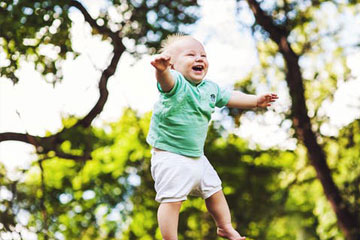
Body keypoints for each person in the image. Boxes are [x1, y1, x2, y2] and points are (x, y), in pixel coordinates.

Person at [146, 34, 278, 240]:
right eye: (190, 54)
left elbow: (231, 97)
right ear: (172, 65)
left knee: (215, 191)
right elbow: (166, 82)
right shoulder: (176, 84)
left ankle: (225, 226)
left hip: (198, 157)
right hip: (170, 157)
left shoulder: (210, 88)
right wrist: (161, 71)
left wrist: (255, 101)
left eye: (203, 55)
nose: (199, 58)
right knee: (172, 200)